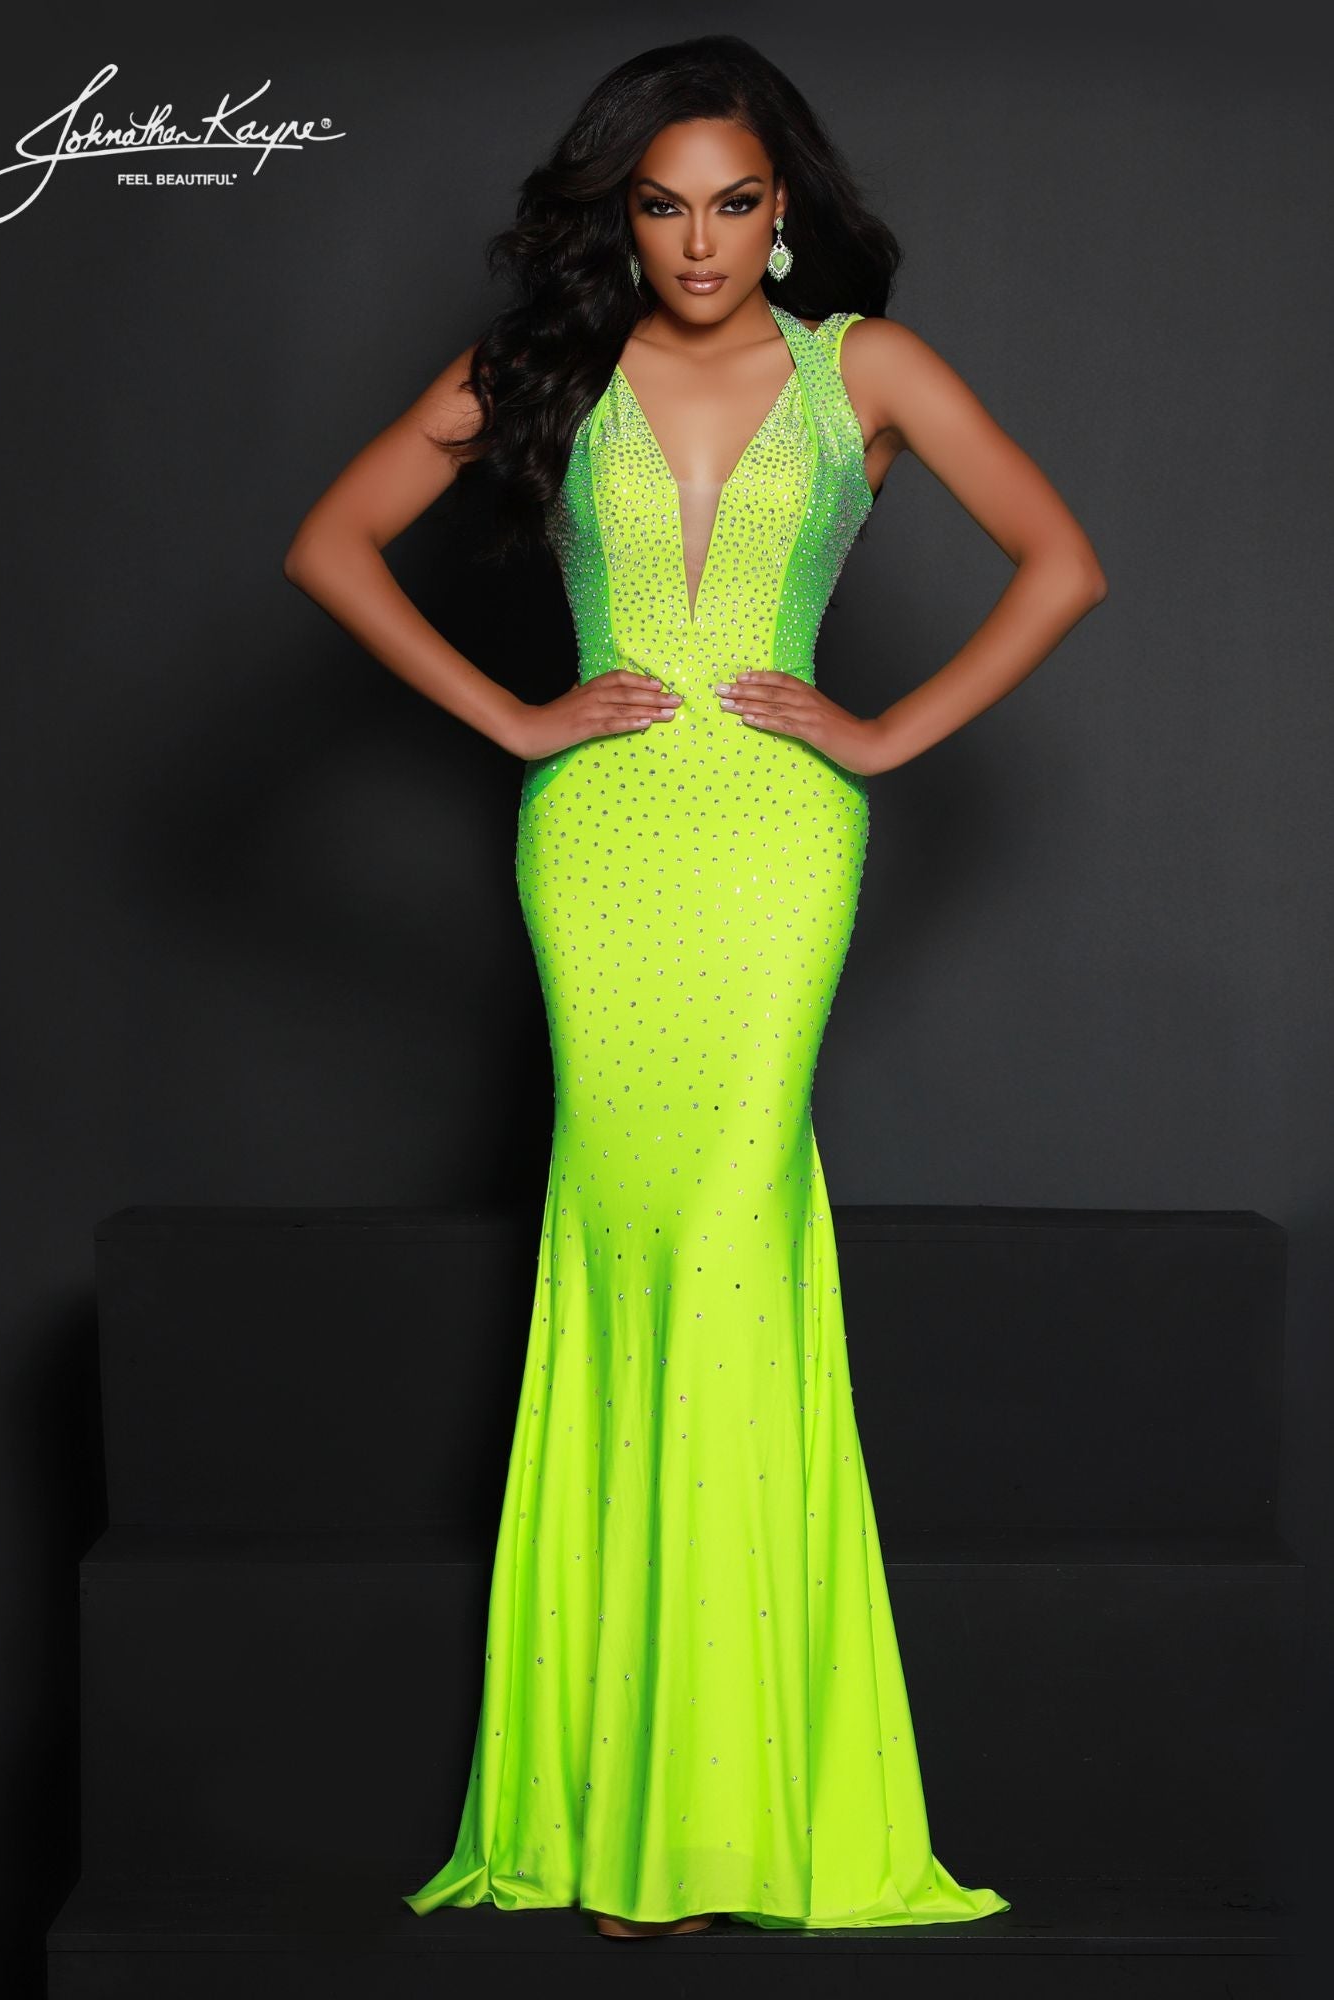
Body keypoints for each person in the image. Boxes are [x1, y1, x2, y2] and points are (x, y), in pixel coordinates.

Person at [284, 33, 1105, 1941]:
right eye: (662, 206)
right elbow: (329, 545)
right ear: (622, 218)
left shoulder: (864, 369)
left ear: (783, 209)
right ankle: (635, 1809)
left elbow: (1061, 565)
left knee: (732, 1237)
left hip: (776, 845)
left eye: (734, 203)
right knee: (632, 1244)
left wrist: (881, 736)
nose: (701, 241)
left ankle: (720, 1812)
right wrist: (515, 718)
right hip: (599, 848)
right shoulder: (546, 366)